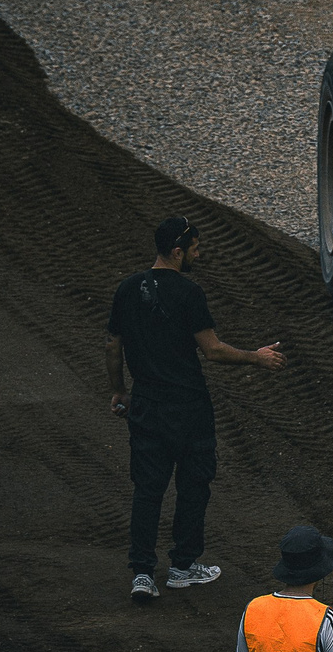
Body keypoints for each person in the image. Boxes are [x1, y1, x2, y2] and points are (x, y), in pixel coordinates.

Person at [106, 216, 284, 603]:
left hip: (147, 405)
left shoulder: (126, 289)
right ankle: (183, 568)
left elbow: (112, 346)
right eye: (196, 249)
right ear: (177, 251)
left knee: (147, 491)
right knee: (193, 486)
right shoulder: (189, 293)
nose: (199, 255)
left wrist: (120, 390)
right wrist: (257, 357)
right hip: (188, 409)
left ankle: (142, 574)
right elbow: (214, 350)